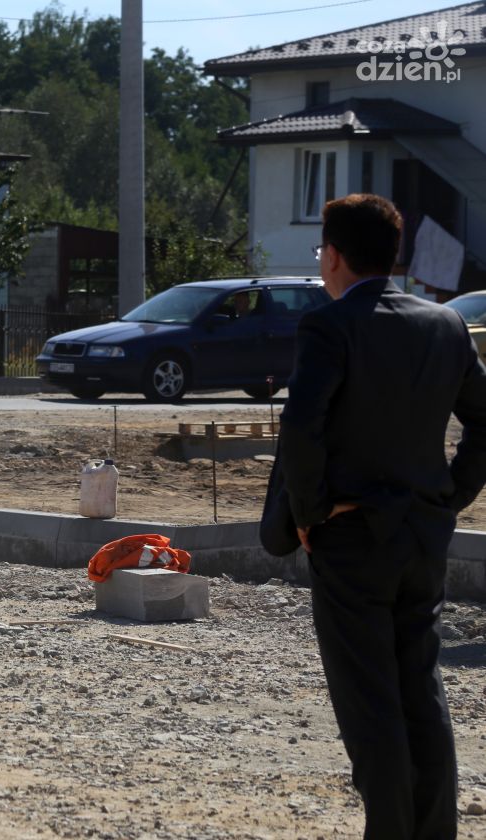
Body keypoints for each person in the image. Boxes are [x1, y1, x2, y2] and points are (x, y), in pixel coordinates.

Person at [271, 193, 486, 839]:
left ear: (333, 256)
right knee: (422, 697)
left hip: (353, 537)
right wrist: (448, 496)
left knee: (372, 710)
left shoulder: (330, 326)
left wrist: (307, 513)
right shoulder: (445, 325)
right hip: (422, 538)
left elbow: (301, 426)